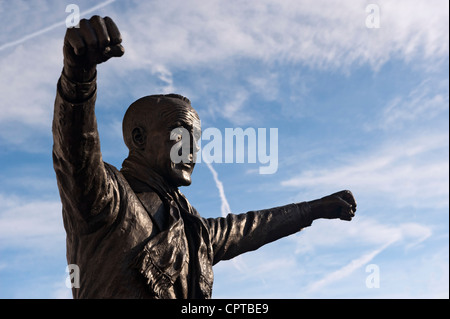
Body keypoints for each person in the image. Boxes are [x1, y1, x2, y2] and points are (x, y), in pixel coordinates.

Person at [53, 16, 357, 299]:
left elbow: (248, 228)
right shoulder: (104, 197)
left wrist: (313, 209)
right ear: (139, 139)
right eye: (180, 135)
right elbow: (75, 149)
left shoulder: (191, 229)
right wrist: (78, 79)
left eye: (196, 141)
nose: (192, 151)